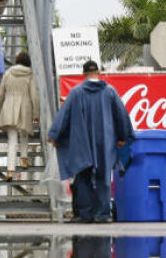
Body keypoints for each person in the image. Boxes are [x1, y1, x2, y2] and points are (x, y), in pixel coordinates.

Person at [48, 60, 135, 223]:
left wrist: (54, 135)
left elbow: (64, 116)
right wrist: (123, 137)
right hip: (105, 141)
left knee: (82, 175)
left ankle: (84, 214)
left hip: (82, 142)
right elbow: (121, 115)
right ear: (98, 73)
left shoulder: (76, 92)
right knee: (103, 176)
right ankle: (102, 214)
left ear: (84, 74)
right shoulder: (110, 92)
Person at [0, 51, 39, 181]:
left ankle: (10, 171)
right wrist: (37, 113)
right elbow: (35, 97)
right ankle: (24, 159)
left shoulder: (8, 73)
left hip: (9, 107)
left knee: (12, 141)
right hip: (24, 107)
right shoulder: (30, 75)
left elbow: (0, 95)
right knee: (24, 133)